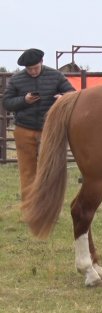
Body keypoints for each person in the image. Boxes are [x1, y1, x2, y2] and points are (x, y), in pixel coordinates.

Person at [2, 48, 75, 201]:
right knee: (27, 170)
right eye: (29, 69)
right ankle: (29, 206)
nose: (33, 71)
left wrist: (62, 97)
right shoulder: (16, 79)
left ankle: (48, 205)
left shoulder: (56, 76)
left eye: (35, 67)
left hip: (49, 130)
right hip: (24, 129)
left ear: (42, 62)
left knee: (49, 169)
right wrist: (24, 100)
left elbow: (72, 94)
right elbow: (7, 102)